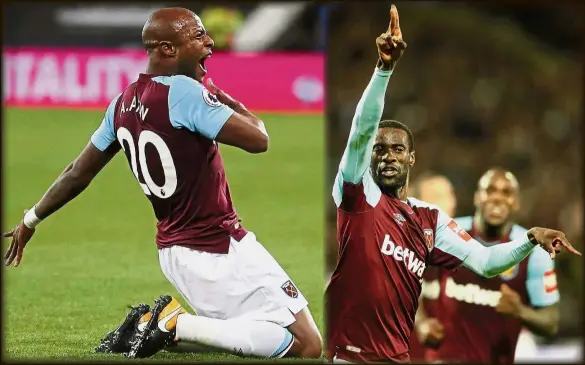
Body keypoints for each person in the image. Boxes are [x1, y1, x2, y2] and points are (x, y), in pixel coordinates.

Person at [3, 7, 322, 360]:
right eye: (198, 36)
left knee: (240, 332)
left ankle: (148, 326)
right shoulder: (185, 94)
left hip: (174, 255)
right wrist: (222, 97)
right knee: (308, 345)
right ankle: (176, 324)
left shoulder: (121, 104)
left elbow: (77, 172)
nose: (210, 42)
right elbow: (259, 139)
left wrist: (30, 219)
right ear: (168, 49)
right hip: (219, 247)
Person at [324, 5, 579, 363]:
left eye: (398, 149)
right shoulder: (357, 194)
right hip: (350, 357)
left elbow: (488, 261)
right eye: (380, 149)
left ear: (412, 158)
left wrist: (531, 238)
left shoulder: (429, 221)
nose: (388, 156)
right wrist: (384, 69)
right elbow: (362, 130)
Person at [414, 168, 560, 364]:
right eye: (490, 190)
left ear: (516, 202)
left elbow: (550, 322)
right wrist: (421, 323)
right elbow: (405, 281)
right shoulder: (448, 234)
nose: (497, 198)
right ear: (477, 197)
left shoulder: (534, 251)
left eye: (506, 193)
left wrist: (520, 312)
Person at [406, 172, 457, 362]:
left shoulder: (464, 246)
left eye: (449, 195)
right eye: (436, 196)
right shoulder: (399, 244)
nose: (447, 203)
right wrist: (420, 322)